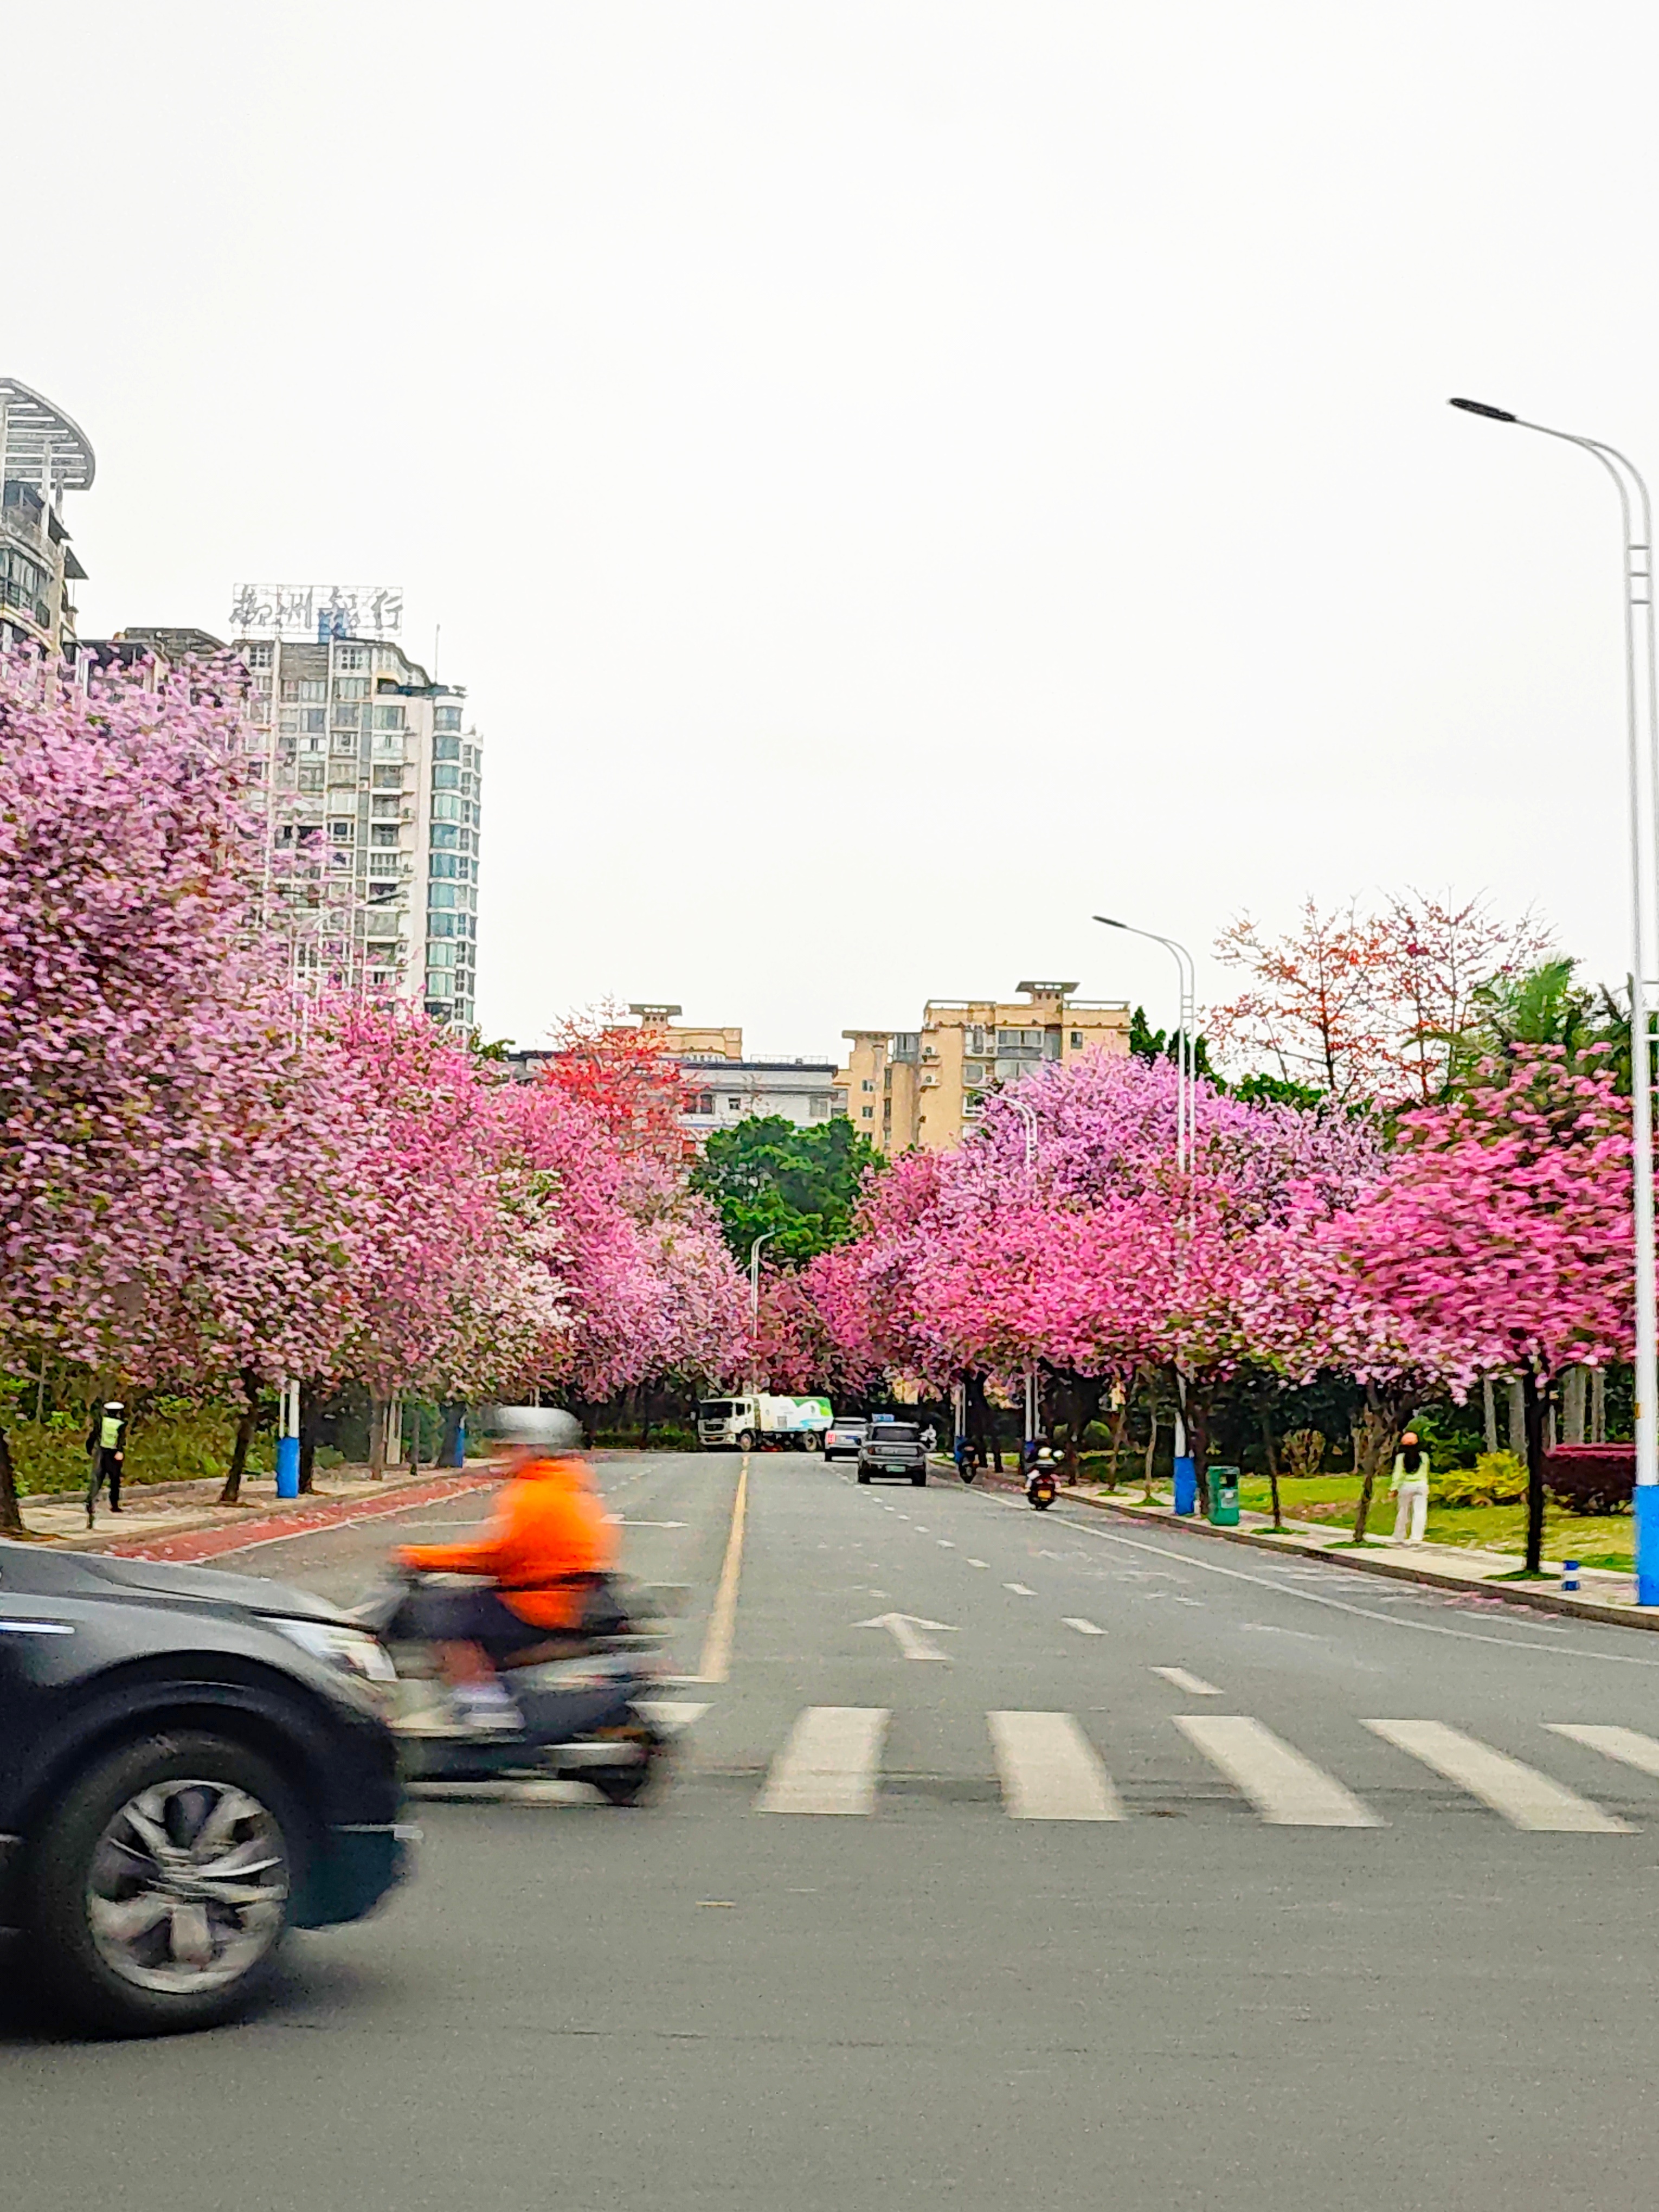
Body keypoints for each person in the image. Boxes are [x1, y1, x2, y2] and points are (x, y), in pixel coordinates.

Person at [392, 1406, 616, 1733]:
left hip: (537, 1604)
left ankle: (485, 1711)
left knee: (442, 1621)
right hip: (551, 1594)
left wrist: (421, 1558)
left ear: (536, 1449)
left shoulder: (537, 1495)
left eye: (514, 1447)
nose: (505, 1455)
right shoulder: (565, 1485)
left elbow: (497, 1555)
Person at [85, 1400, 127, 1526]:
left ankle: (91, 1500)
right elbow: (121, 1439)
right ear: (118, 1413)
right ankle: (114, 1505)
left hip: (102, 1453)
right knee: (114, 1480)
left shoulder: (102, 1422)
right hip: (114, 1454)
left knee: (98, 1478)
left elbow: (93, 1435)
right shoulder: (121, 1424)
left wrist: (89, 1448)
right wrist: (120, 1451)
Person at [1390, 1431, 1431, 1545]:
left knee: (1403, 1511)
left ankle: (1400, 1535)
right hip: (1422, 1485)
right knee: (1420, 1512)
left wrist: (1394, 1488)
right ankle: (1417, 1537)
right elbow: (1426, 1471)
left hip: (1406, 1486)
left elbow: (1398, 1474)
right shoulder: (1424, 1457)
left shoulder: (1400, 1458)